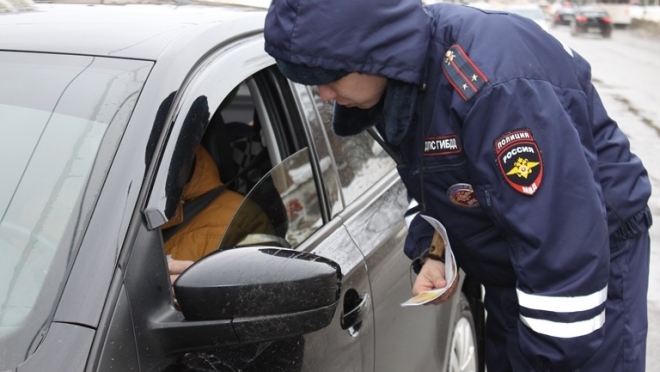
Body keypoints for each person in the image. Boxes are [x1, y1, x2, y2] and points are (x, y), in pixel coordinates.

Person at [263, 1, 653, 371]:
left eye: (329, 78)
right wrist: (436, 251)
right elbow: (439, 178)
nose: (324, 95)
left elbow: (563, 240)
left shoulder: (492, 88)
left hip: (589, 257)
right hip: (514, 259)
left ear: (373, 52)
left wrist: (548, 359)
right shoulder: (399, 81)